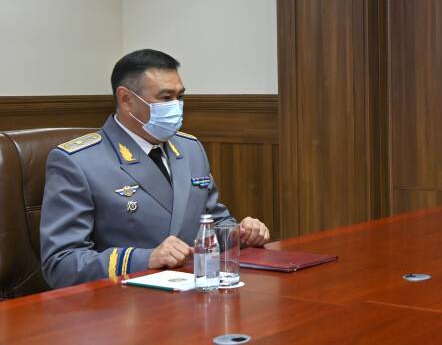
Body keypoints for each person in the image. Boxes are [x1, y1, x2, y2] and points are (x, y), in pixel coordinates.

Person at [41, 49, 270, 288]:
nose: (176, 106)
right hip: (125, 300)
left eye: (180, 96)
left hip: (196, 291)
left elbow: (211, 222)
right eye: (165, 97)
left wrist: (239, 233)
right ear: (126, 99)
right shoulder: (79, 161)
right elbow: (60, 263)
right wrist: (146, 259)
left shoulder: (190, 148)